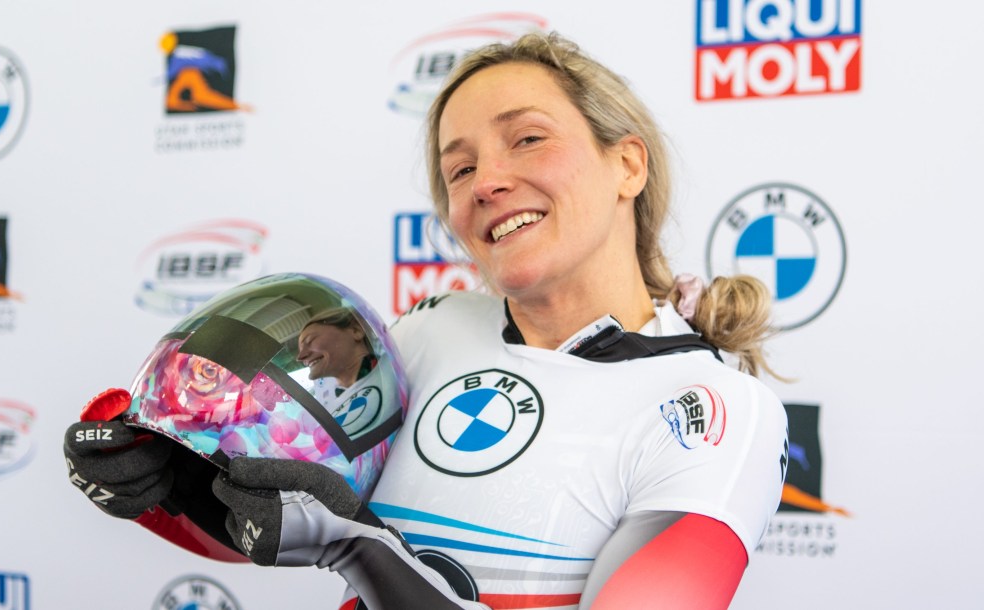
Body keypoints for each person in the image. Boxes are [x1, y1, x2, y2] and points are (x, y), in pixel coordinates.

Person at [64, 31, 787, 610]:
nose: (488, 182)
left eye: (526, 139)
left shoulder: (718, 410)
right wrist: (171, 480)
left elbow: (341, 534)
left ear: (627, 163)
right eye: (459, 169)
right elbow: (279, 514)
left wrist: (358, 547)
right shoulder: (424, 332)